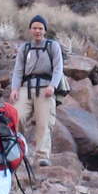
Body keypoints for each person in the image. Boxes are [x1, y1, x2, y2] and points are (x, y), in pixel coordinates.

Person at [9, 15, 63, 167]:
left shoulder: (53, 46)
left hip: (45, 88)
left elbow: (58, 68)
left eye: (40, 28)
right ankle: (17, 151)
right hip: (26, 87)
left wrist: (53, 85)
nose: (37, 31)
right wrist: (14, 88)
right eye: (34, 28)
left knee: (43, 122)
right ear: (30, 30)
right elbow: (18, 70)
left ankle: (41, 156)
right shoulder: (24, 48)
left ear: (45, 30)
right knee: (16, 117)